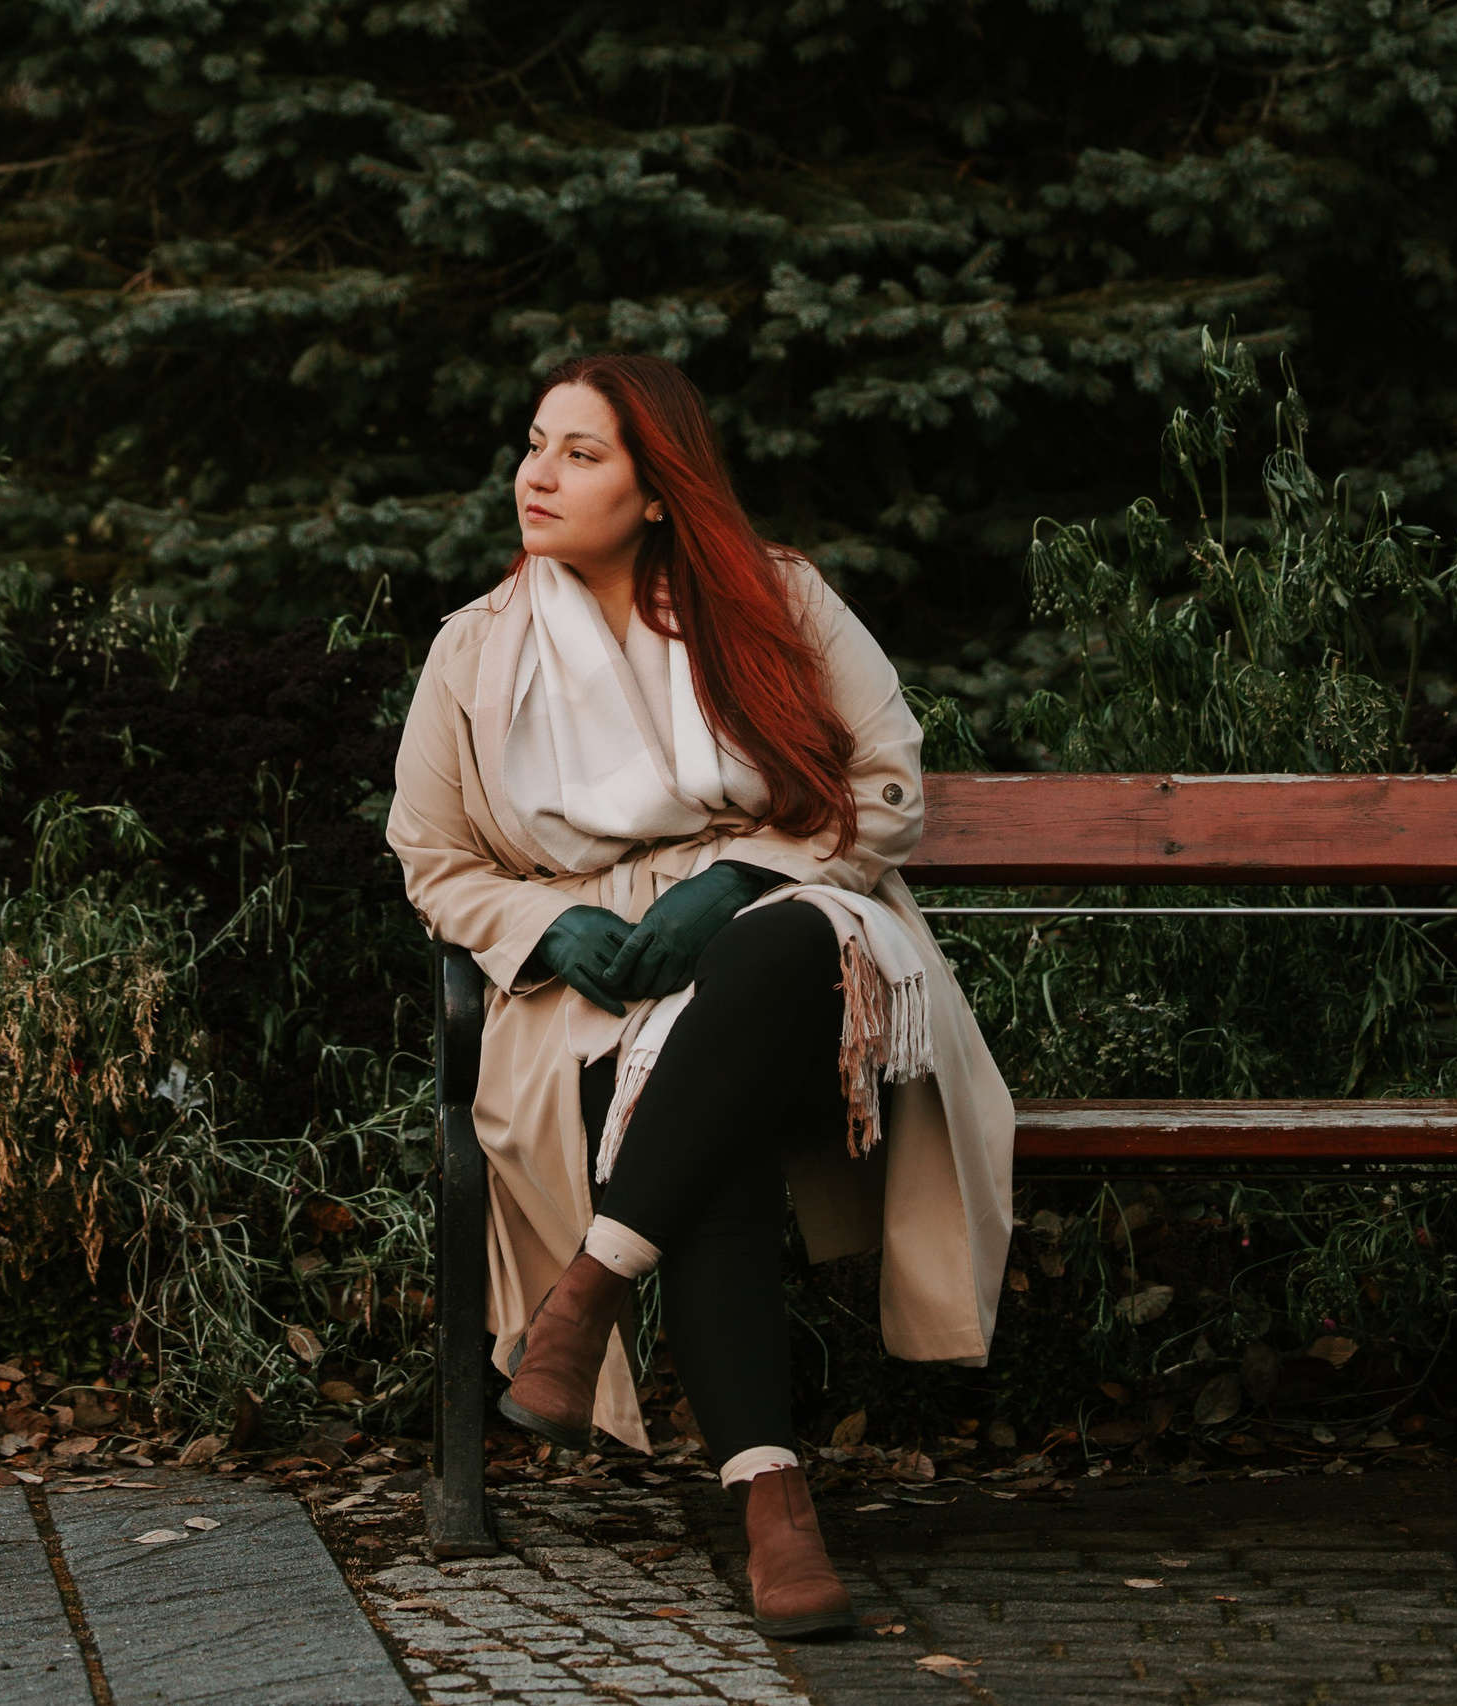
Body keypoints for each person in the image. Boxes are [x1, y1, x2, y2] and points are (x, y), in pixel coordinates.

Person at [387, 354, 1015, 1639]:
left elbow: (882, 788)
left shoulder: (773, 601)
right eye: (533, 442)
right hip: (590, 1000)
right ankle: (772, 1500)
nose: (535, 474)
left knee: (774, 955)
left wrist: (735, 880)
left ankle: (589, 1288)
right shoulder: (474, 650)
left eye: (579, 452)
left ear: (658, 488)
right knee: (678, 1101)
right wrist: (552, 923)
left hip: (804, 963)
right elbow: (434, 857)